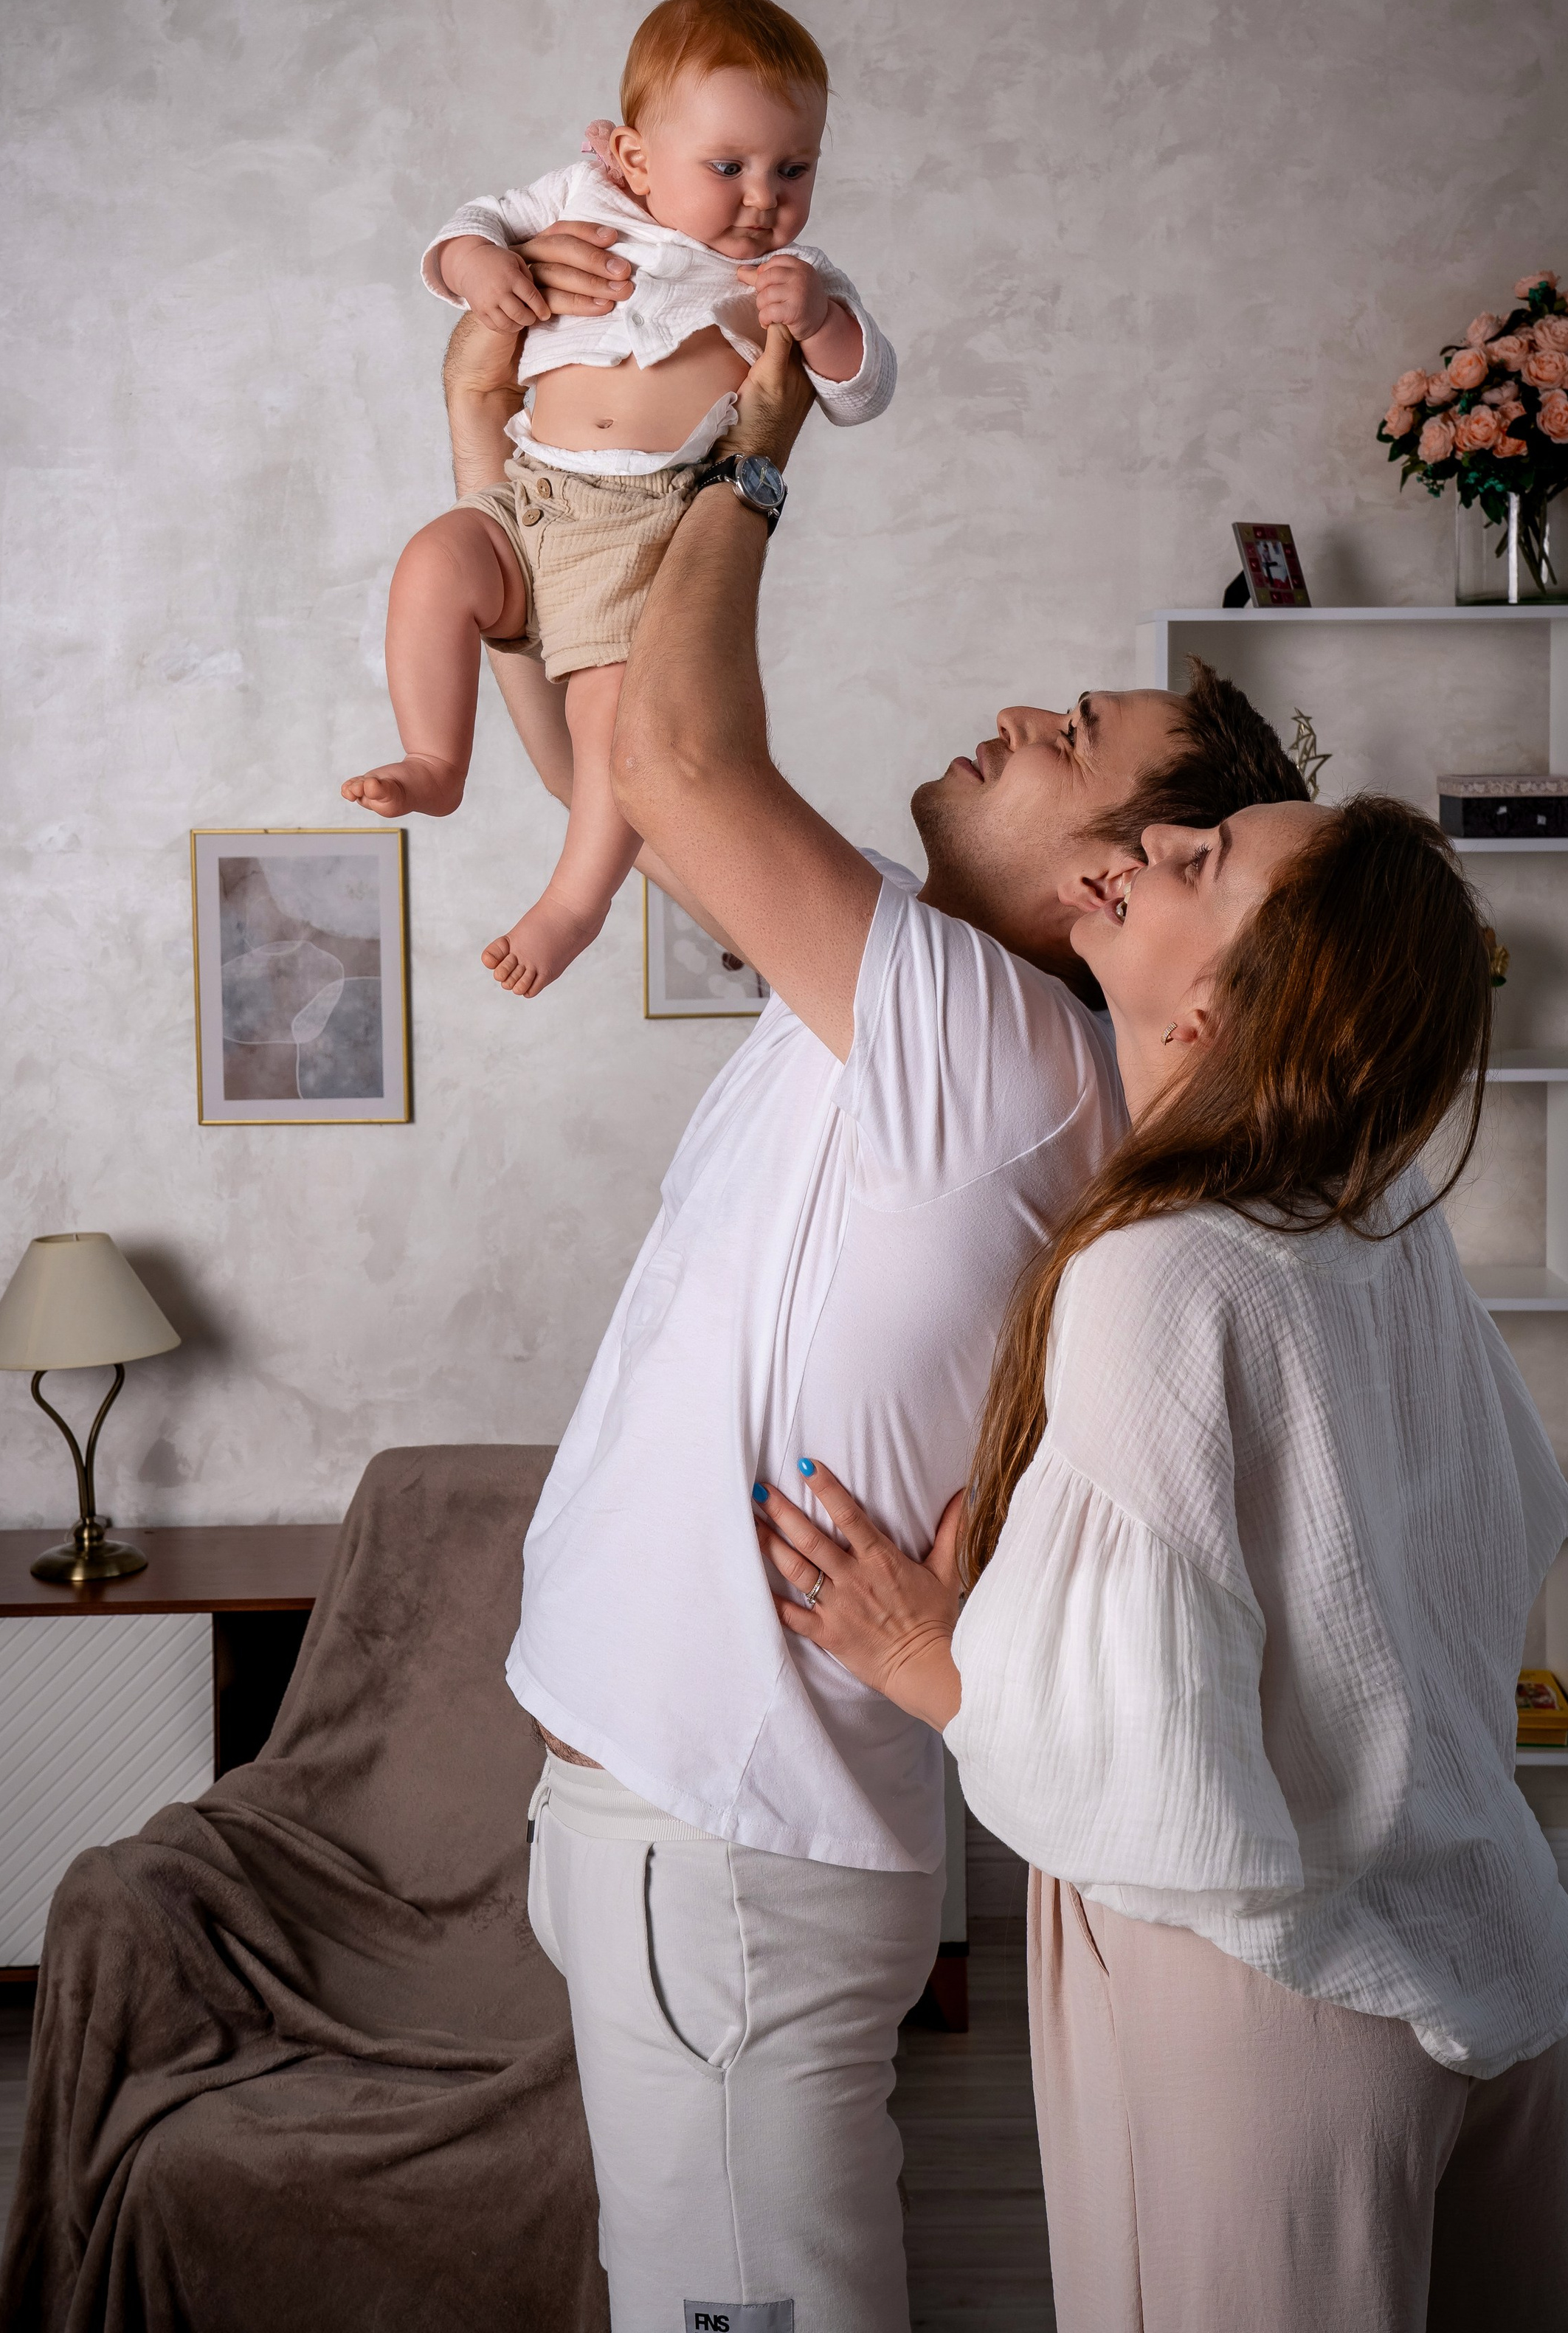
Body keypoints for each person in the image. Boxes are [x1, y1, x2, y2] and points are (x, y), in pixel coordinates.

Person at [488, 301, 1308, 2332]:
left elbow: (679, 760)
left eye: (1075, 740)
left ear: (1109, 884)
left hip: (721, 1838)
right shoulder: (916, 1002)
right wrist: (525, 586)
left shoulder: (996, 1043)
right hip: (689, 1827)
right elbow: (626, 774)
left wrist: (758, 448)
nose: (1018, 718)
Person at [754, 792, 1568, 2332]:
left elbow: (1140, 1764)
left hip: (1271, 2000)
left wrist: (924, 1659)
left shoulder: (1158, 1271)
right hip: (1481, 1938)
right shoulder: (1382, 1219)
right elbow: (1493, 1536)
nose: (1142, 849)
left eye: (1198, 861)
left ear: (1223, 1006)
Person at [342, 0, 894, 995]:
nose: (762, 197)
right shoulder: (581, 197)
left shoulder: (789, 272)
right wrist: (477, 265)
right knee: (432, 564)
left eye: (794, 168)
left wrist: (820, 322)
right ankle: (436, 758)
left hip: (643, 531)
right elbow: (469, 226)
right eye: (727, 166)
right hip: (531, 496)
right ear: (636, 158)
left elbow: (862, 390)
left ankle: (573, 902)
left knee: (612, 725)